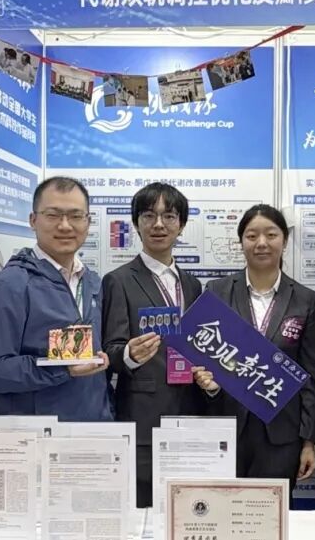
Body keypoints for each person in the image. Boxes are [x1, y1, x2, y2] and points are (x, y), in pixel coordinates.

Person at [196, 205, 315, 495]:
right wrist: (210, 387)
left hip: (282, 434)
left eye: (271, 235)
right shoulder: (216, 292)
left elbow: (309, 376)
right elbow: (205, 361)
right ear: (241, 242)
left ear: (284, 241)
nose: (261, 243)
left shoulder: (305, 300)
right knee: (224, 511)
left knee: (272, 514)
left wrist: (308, 441)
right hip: (227, 431)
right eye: (252, 236)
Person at [0, 177, 111, 422]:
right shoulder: (8, 286)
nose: (65, 226)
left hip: (94, 431)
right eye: (53, 215)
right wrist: (61, 368)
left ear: (88, 222)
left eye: (76, 216)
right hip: (37, 436)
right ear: (33, 220)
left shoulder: (91, 282)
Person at [102, 182, 209, 507]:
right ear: (136, 223)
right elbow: (111, 350)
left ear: (182, 225)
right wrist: (130, 355)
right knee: (144, 512)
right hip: (143, 418)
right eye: (149, 216)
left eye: (169, 216)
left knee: (188, 509)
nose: (159, 224)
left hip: (191, 415)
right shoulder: (118, 280)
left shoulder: (192, 284)